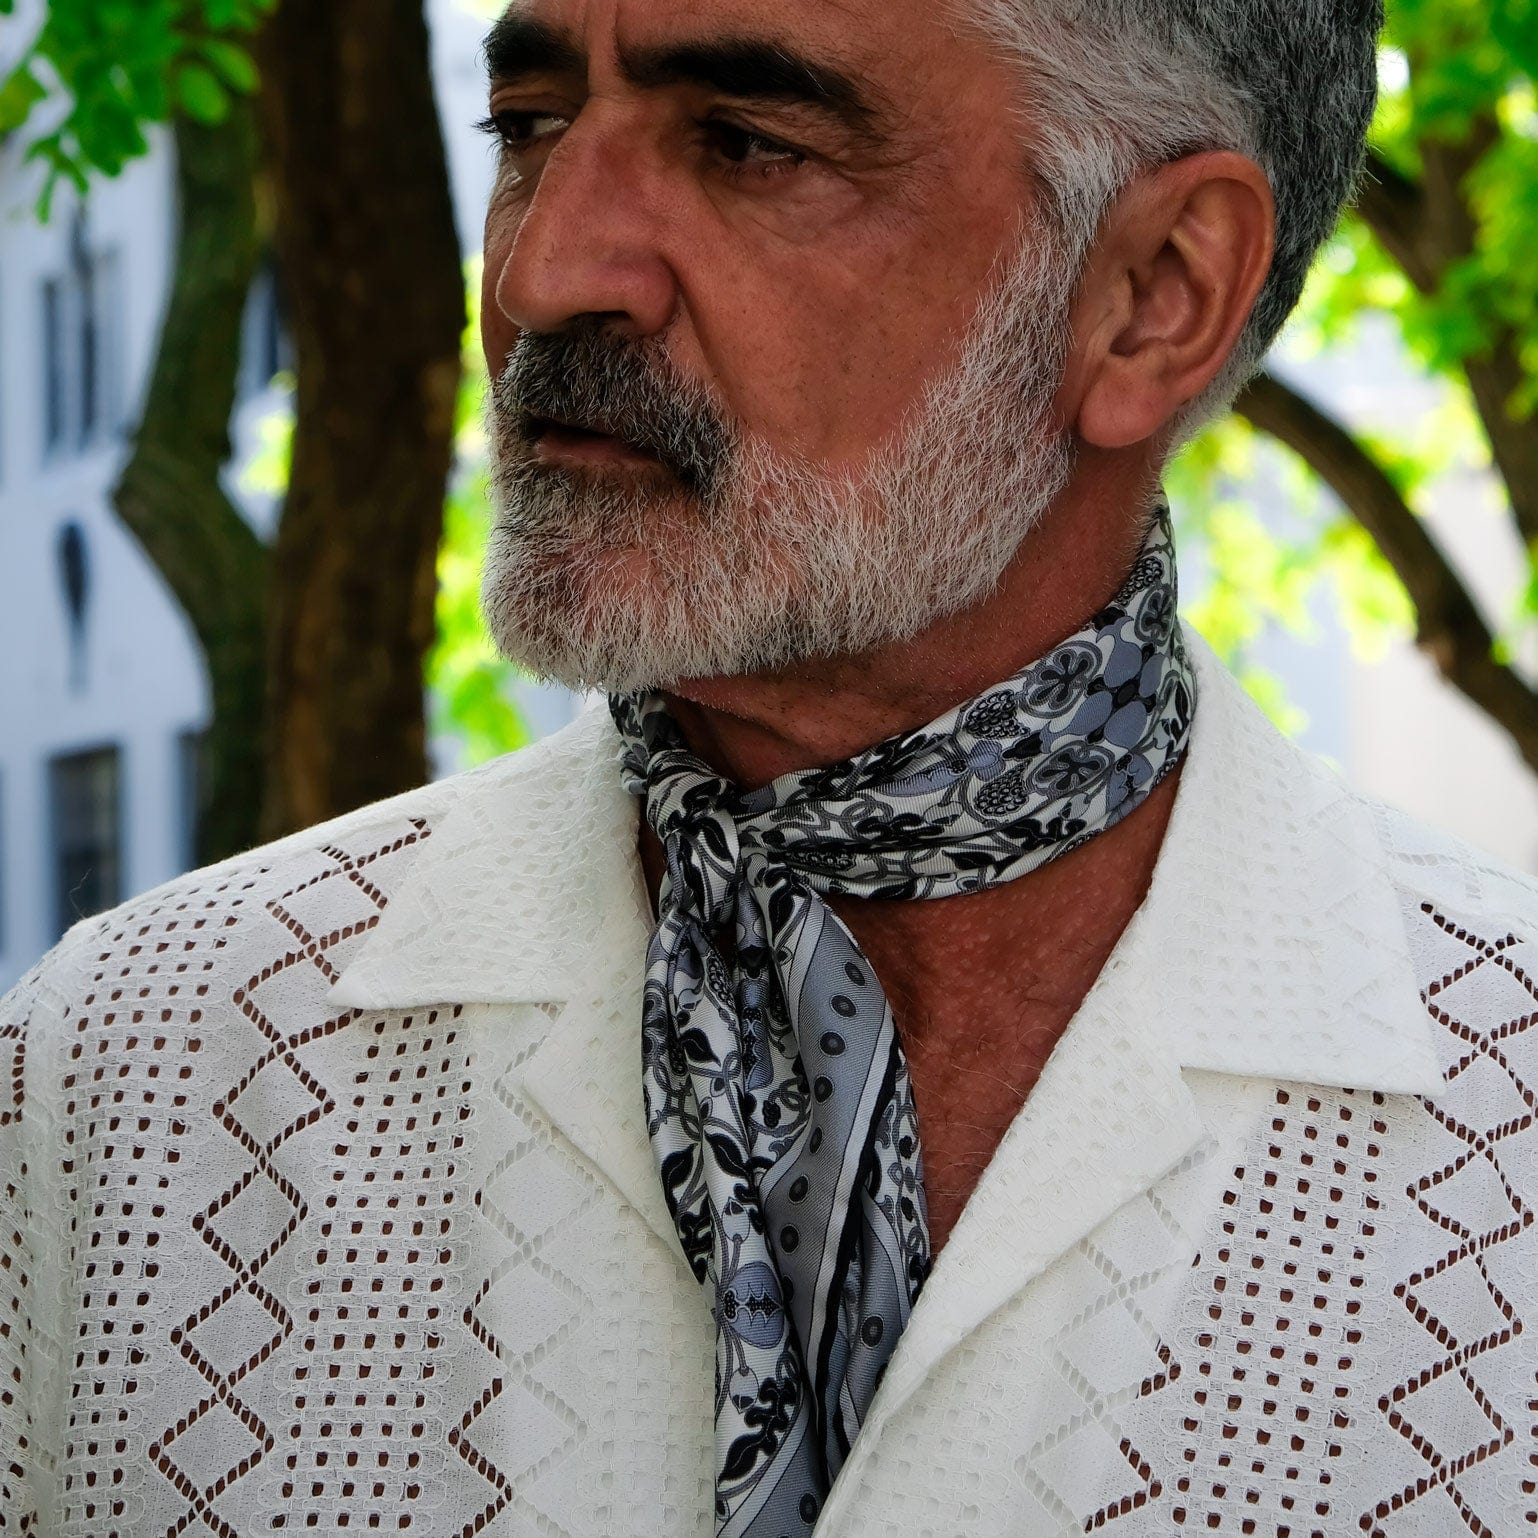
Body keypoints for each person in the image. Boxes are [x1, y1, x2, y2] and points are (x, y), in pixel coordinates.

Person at [3, 0, 1534, 1533]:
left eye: (747, 144)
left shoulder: (1503, 1122)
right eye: (527, 127)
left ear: (1154, 292)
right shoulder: (124, 1081)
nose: (541, 278)